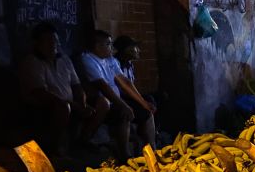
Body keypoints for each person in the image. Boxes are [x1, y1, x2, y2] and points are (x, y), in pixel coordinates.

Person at [19, 22, 106, 155]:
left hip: (71, 104)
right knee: (63, 107)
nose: (53, 44)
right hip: (45, 106)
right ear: (37, 43)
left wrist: (82, 104)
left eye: (55, 41)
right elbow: (41, 93)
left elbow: (76, 85)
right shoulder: (32, 62)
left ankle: (83, 141)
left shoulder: (64, 60)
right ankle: (55, 149)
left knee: (103, 103)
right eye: (48, 41)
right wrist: (73, 105)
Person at [78, 30, 155, 160]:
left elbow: (124, 81)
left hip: (116, 100)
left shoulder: (111, 60)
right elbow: (104, 87)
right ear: (97, 46)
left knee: (146, 110)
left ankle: (152, 150)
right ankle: (125, 156)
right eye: (108, 44)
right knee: (123, 113)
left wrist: (143, 102)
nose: (112, 48)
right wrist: (124, 105)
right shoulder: (88, 59)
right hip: (101, 102)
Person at [113, 35, 157, 150]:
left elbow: (131, 86)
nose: (138, 50)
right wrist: (142, 102)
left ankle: (149, 132)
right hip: (118, 99)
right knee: (146, 109)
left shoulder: (130, 65)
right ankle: (151, 145)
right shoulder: (115, 63)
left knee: (153, 98)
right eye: (135, 47)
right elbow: (124, 87)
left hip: (127, 97)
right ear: (126, 49)